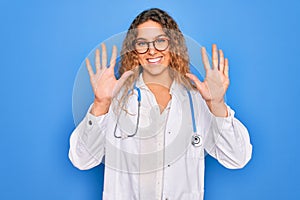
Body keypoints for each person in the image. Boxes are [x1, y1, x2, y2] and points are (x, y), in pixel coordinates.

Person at [69, 8, 252, 200]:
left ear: (173, 46)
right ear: (134, 51)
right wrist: (100, 103)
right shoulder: (115, 101)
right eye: (142, 43)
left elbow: (238, 158)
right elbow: (81, 160)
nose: (152, 50)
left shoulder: (197, 101)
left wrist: (217, 104)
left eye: (160, 41)